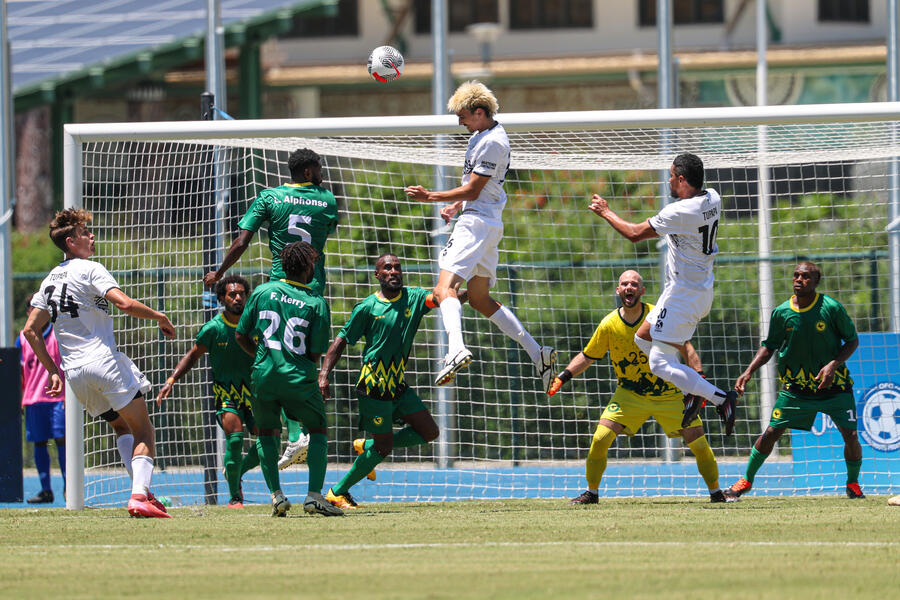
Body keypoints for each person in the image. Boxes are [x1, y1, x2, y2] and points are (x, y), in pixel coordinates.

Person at [403, 80, 556, 392]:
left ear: (479, 111)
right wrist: (456, 204)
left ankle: (456, 349)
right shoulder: (480, 136)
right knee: (479, 299)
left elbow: (474, 189)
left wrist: (431, 196)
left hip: (476, 225)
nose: (459, 122)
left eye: (463, 116)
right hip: (485, 222)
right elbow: (477, 187)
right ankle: (537, 352)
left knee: (444, 289)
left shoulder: (493, 142)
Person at [23, 208, 175, 518]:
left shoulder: (50, 278)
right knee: (144, 431)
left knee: (121, 426)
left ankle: (142, 492)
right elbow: (124, 304)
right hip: (103, 363)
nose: (92, 236)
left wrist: (53, 370)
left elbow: (29, 330)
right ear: (71, 241)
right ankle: (139, 497)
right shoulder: (91, 268)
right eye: (84, 233)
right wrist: (159, 316)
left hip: (76, 375)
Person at [205, 148, 338, 472]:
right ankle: (302, 428)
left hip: (278, 287)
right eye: (319, 169)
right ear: (309, 172)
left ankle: (294, 434)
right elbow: (325, 230)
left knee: (272, 353)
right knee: (304, 357)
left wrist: (219, 273)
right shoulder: (326, 198)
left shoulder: (269, 197)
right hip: (312, 290)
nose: (322, 175)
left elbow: (241, 242)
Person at [549, 270, 732, 503]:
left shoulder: (658, 315)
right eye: (624, 284)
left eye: (634, 284)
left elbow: (686, 347)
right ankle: (591, 493)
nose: (629, 287)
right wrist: (563, 376)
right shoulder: (609, 324)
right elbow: (588, 356)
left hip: (669, 393)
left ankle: (716, 493)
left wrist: (699, 382)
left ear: (642, 291)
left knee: (698, 443)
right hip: (630, 394)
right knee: (601, 438)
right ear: (618, 290)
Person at [589, 152, 737, 434]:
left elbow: (634, 233)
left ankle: (721, 398)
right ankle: (692, 387)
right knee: (642, 337)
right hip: (695, 289)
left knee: (657, 364)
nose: (668, 181)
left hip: (684, 295)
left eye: (670, 176)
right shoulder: (713, 197)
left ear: (681, 179)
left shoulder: (680, 212)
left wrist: (606, 211)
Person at [318, 253, 453, 509]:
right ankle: (337, 492)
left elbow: (440, 298)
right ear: (377, 275)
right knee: (383, 448)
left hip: (398, 386)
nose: (393, 271)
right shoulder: (367, 307)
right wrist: (323, 375)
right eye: (387, 268)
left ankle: (366, 445)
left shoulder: (414, 298)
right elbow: (341, 340)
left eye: (397, 267)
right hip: (373, 387)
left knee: (430, 432)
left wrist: (470, 293)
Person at [725, 262, 863, 499]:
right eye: (796, 275)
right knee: (771, 432)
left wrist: (833, 365)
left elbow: (852, 341)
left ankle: (853, 483)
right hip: (797, 390)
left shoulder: (831, 308)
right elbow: (769, 346)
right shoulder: (782, 312)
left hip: (835, 387)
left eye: (806, 276)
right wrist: (748, 372)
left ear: (816, 281)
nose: (799, 279)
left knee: (851, 436)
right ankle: (746, 481)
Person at [235, 241, 342, 516]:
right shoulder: (316, 302)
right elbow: (315, 352)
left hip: (263, 375)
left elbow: (241, 335)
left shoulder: (262, 291)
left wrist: (264, 357)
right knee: (317, 429)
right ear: (307, 267)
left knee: (267, 433)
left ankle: (277, 496)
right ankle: (314, 497)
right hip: (298, 377)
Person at [156, 275, 259, 508]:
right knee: (235, 440)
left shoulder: (256, 324)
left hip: (256, 392)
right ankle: (235, 497)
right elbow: (192, 356)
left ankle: (235, 470)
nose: (238, 298)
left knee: (268, 441)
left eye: (241, 294)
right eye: (232, 294)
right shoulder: (213, 329)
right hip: (227, 393)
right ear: (222, 298)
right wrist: (171, 379)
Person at [17, 293, 65, 504]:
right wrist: (19, 397)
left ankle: (70, 486)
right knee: (39, 442)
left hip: (58, 398)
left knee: (62, 440)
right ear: (29, 311)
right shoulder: (22, 338)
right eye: (31, 307)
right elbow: (19, 372)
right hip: (33, 399)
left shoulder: (58, 333)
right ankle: (46, 490)